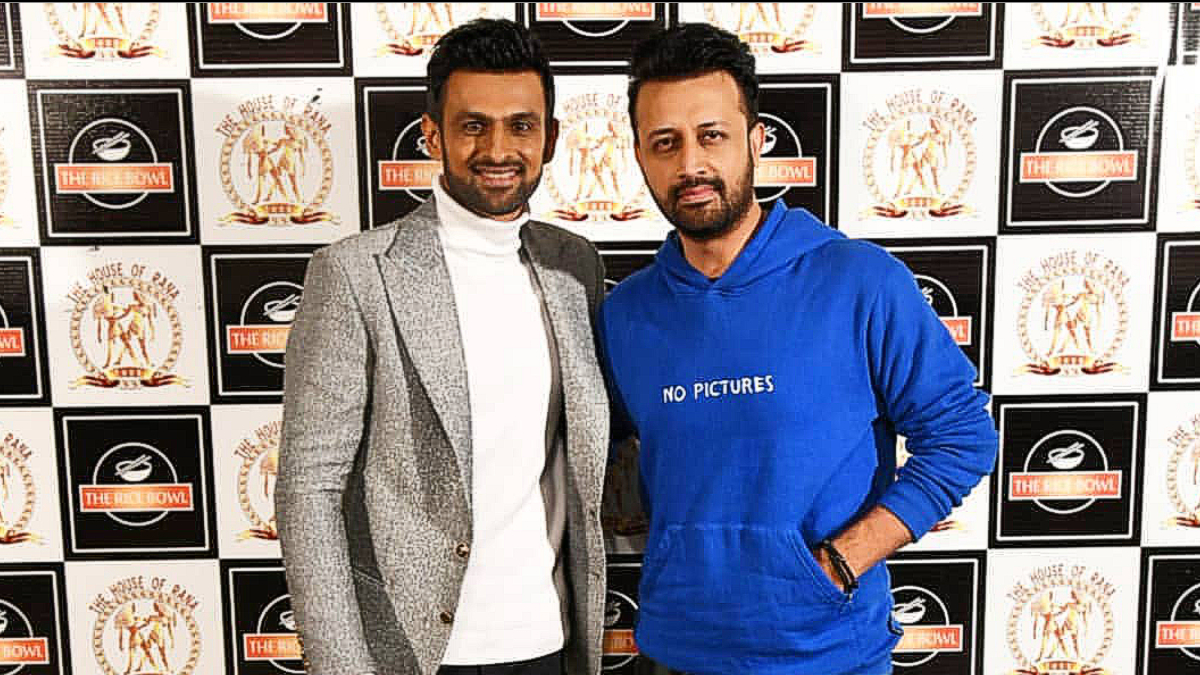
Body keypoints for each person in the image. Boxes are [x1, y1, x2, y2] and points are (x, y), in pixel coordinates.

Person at [595, 24, 999, 675]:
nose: (690, 163)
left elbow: (963, 436)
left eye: (712, 135)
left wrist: (841, 561)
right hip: (676, 649)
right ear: (640, 156)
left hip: (827, 653)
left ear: (757, 140)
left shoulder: (859, 281)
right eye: (665, 142)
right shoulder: (625, 313)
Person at [276, 19, 609, 675]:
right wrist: (342, 665)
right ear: (433, 135)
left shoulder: (574, 266)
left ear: (550, 138)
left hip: (547, 638)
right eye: (472, 125)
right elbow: (308, 489)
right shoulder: (355, 273)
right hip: (411, 650)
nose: (498, 148)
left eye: (520, 125)